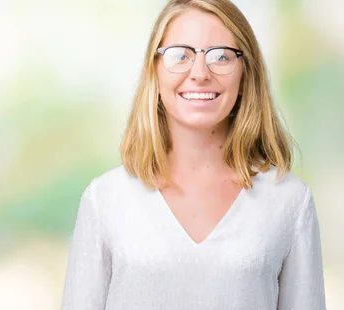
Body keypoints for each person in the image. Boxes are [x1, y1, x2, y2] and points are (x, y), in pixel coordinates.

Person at [60, 0, 326, 309]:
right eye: (180, 55)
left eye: (221, 56)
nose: (200, 73)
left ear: (245, 76)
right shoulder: (105, 199)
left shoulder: (289, 201)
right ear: (154, 71)